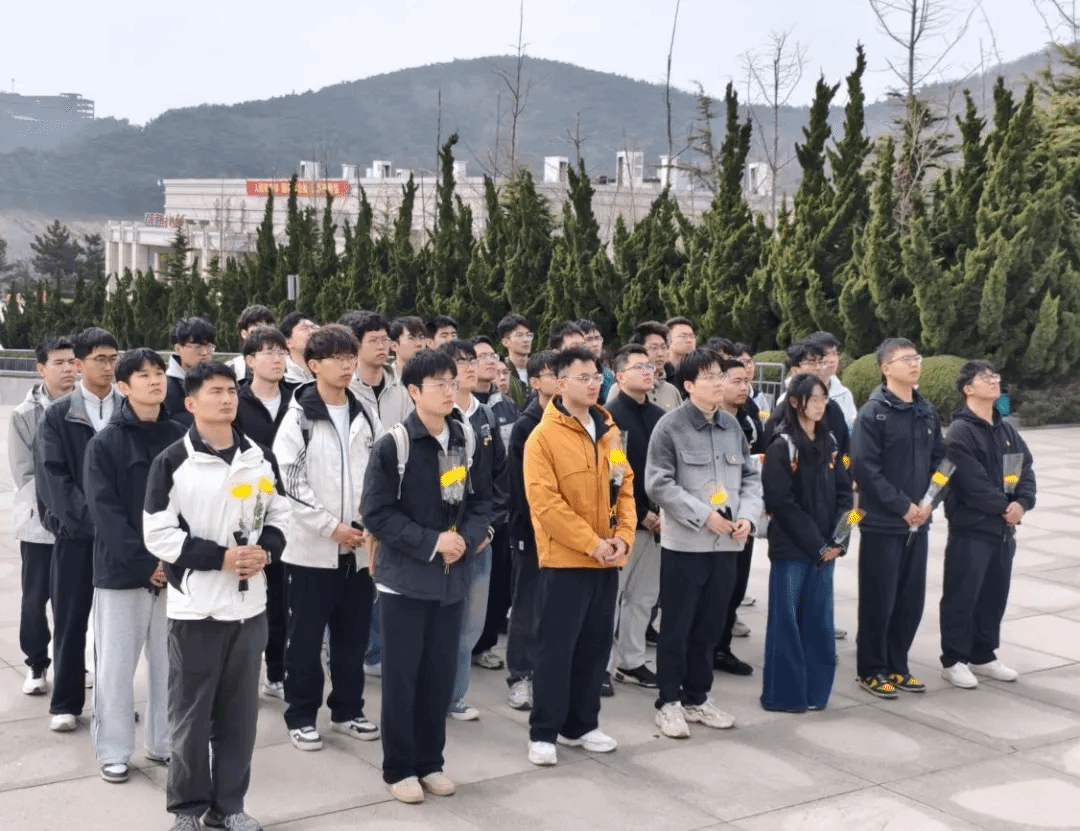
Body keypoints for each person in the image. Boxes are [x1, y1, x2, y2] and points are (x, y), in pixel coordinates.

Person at [144, 361, 289, 831]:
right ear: (190, 402)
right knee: (190, 716)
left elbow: (280, 515)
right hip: (197, 610)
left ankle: (228, 806)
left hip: (250, 609)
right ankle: (187, 810)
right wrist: (219, 558)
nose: (227, 399)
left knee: (240, 718)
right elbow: (158, 533)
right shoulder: (173, 461)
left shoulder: (260, 457)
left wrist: (265, 551)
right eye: (215, 391)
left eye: (231, 391)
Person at [361, 349, 493, 803]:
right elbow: (376, 513)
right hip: (405, 580)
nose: (449, 390)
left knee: (439, 675)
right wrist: (433, 542)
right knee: (403, 678)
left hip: (452, 578)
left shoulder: (464, 437)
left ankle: (430, 762)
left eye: (452, 382)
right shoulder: (394, 444)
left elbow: (481, 500)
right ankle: (399, 768)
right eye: (439, 383)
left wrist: (468, 538)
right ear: (414, 391)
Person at [523, 346, 635, 767]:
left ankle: (582, 724)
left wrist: (623, 538)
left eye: (596, 377)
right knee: (555, 650)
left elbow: (624, 487)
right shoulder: (543, 437)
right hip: (566, 562)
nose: (592, 384)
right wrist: (592, 543)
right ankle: (544, 732)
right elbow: (546, 504)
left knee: (594, 648)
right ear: (559, 382)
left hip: (607, 562)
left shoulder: (609, 431)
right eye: (582, 377)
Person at [645, 350, 763, 739]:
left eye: (720, 375)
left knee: (710, 626)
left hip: (727, 545)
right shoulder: (670, 427)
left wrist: (747, 516)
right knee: (677, 628)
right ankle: (669, 703)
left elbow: (750, 477)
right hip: (686, 546)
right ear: (689, 385)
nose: (718, 382)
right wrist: (702, 515)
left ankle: (697, 697)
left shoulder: (731, 427)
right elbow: (658, 483)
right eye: (709, 376)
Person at [274, 324, 381, 751]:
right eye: (337, 358)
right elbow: (291, 481)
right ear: (314, 365)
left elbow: (378, 472)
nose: (347, 365)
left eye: (350, 356)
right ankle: (301, 715)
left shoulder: (363, 412)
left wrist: (368, 523)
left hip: (359, 548)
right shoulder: (299, 416)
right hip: (311, 551)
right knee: (304, 639)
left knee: (352, 636)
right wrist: (329, 526)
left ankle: (348, 710)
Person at [85, 349, 187, 784]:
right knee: (115, 667)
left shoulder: (182, 435)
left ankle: (164, 743)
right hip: (121, 573)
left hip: (174, 572)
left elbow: (192, 503)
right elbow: (104, 512)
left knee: (171, 665)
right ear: (123, 387)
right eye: (142, 375)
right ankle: (113, 750)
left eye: (159, 372)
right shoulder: (105, 443)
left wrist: (173, 558)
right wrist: (147, 562)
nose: (155, 380)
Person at [35, 326, 124, 733]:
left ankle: (112, 704)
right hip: (76, 537)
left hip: (123, 541)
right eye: (99, 359)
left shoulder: (129, 409)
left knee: (116, 630)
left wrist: (122, 529)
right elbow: (53, 480)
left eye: (113, 359)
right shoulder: (59, 415)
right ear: (79, 363)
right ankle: (66, 703)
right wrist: (93, 523)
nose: (108, 367)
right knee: (71, 622)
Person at [851, 338, 946, 699]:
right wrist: (903, 506)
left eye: (917, 357)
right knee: (879, 599)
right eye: (906, 359)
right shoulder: (873, 413)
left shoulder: (926, 410)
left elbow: (942, 462)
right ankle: (871, 669)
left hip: (919, 523)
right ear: (886, 368)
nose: (914, 363)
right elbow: (865, 468)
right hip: (884, 524)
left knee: (910, 600)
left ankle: (897, 665)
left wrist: (929, 503)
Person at [939, 361, 1036, 689]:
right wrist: (1004, 507)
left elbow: (1024, 470)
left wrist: (1022, 503)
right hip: (972, 529)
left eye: (995, 376)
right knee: (962, 595)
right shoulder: (960, 431)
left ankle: (983, 654)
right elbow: (972, 483)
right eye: (985, 377)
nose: (994, 381)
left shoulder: (1005, 430)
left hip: (1003, 530)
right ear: (968, 388)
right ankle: (954, 660)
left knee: (994, 594)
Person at [760, 373, 852, 713]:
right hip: (793, 549)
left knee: (819, 622)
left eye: (824, 398)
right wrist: (818, 544)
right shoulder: (781, 445)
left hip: (826, 550)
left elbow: (846, 494)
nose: (820, 405)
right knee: (786, 622)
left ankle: (816, 693)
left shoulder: (831, 442)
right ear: (795, 402)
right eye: (814, 398)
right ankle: (785, 696)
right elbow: (781, 503)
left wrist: (840, 539)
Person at [339, 310, 413, 679]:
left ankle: (377, 650)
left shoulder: (401, 387)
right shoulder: (345, 388)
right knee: (354, 583)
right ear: (355, 346)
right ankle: (354, 650)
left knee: (384, 578)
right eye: (374, 341)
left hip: (394, 494)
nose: (383, 347)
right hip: (352, 499)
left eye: (386, 340)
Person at [438, 340, 508, 720]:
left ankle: (455, 696)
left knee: (471, 625)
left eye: (472, 360)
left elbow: (499, 479)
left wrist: (487, 529)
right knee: (441, 624)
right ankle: (434, 694)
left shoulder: (486, 416)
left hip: (480, 538)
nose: (468, 367)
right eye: (459, 361)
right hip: (444, 540)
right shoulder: (437, 415)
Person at [10, 336, 77, 696]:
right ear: (41, 368)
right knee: (35, 600)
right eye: (59, 363)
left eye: (72, 361)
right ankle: (37, 663)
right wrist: (60, 508)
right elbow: (24, 474)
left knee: (76, 599)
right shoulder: (24, 415)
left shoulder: (87, 406)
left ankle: (74, 662)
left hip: (80, 524)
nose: (69, 369)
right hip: (39, 525)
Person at [233, 327, 295, 699]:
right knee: (245, 596)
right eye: (268, 352)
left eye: (281, 352)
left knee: (281, 601)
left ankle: (277, 672)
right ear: (250, 360)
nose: (277, 359)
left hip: (291, 512)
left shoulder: (298, 401)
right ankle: (240, 675)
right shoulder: (235, 403)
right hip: (247, 511)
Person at [605, 345, 665, 692]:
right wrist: (641, 514)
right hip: (623, 523)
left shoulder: (660, 416)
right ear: (619, 375)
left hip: (659, 522)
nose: (647, 371)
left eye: (649, 366)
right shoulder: (609, 418)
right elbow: (611, 475)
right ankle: (600, 666)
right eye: (638, 366)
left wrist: (662, 512)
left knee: (644, 597)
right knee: (611, 597)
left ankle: (632, 661)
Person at [503, 350, 559, 711]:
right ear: (535, 382)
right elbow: (521, 488)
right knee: (526, 605)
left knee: (554, 607)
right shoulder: (527, 425)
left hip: (567, 534)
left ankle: (546, 673)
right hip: (532, 531)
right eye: (554, 374)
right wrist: (541, 526)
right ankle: (520, 676)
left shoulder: (578, 421)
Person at [713, 354, 766, 676]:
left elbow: (755, 469)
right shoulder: (705, 421)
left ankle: (722, 648)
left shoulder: (750, 419)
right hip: (713, 519)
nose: (744, 387)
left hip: (744, 518)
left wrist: (748, 513)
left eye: (746, 381)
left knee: (735, 587)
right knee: (712, 594)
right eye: (737, 381)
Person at [469, 335, 519, 670]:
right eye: (481, 356)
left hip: (500, 509)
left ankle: (484, 644)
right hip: (469, 509)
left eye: (492, 356)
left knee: (496, 584)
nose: (490, 361)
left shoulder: (505, 405)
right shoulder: (460, 405)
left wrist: (502, 508)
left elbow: (507, 462)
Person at [611, 321, 681, 412]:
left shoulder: (671, 390)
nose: (660, 354)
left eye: (663, 347)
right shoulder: (621, 388)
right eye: (654, 348)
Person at [166, 317, 217, 427]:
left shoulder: (221, 382)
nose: (205, 353)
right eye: (197, 347)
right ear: (178, 348)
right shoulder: (165, 388)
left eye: (209, 346)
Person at [806, 331, 857, 429]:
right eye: (826, 354)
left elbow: (851, 426)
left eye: (834, 353)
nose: (832, 360)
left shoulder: (844, 394)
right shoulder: (795, 395)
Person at [228, 305, 276, 382]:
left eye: (267, 331)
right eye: (256, 332)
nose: (262, 337)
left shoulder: (280, 366)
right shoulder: (232, 369)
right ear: (244, 334)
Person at [498, 312, 533, 407]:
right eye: (519, 335)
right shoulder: (500, 372)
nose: (526, 340)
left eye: (528, 335)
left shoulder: (538, 368)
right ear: (505, 342)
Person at [576, 319, 616, 401]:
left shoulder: (607, 375)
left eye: (597, 338)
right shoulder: (572, 375)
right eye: (588, 339)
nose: (595, 344)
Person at [281, 311, 317, 385]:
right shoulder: (281, 377)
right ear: (288, 342)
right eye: (304, 328)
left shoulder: (325, 372)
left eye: (313, 327)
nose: (312, 332)